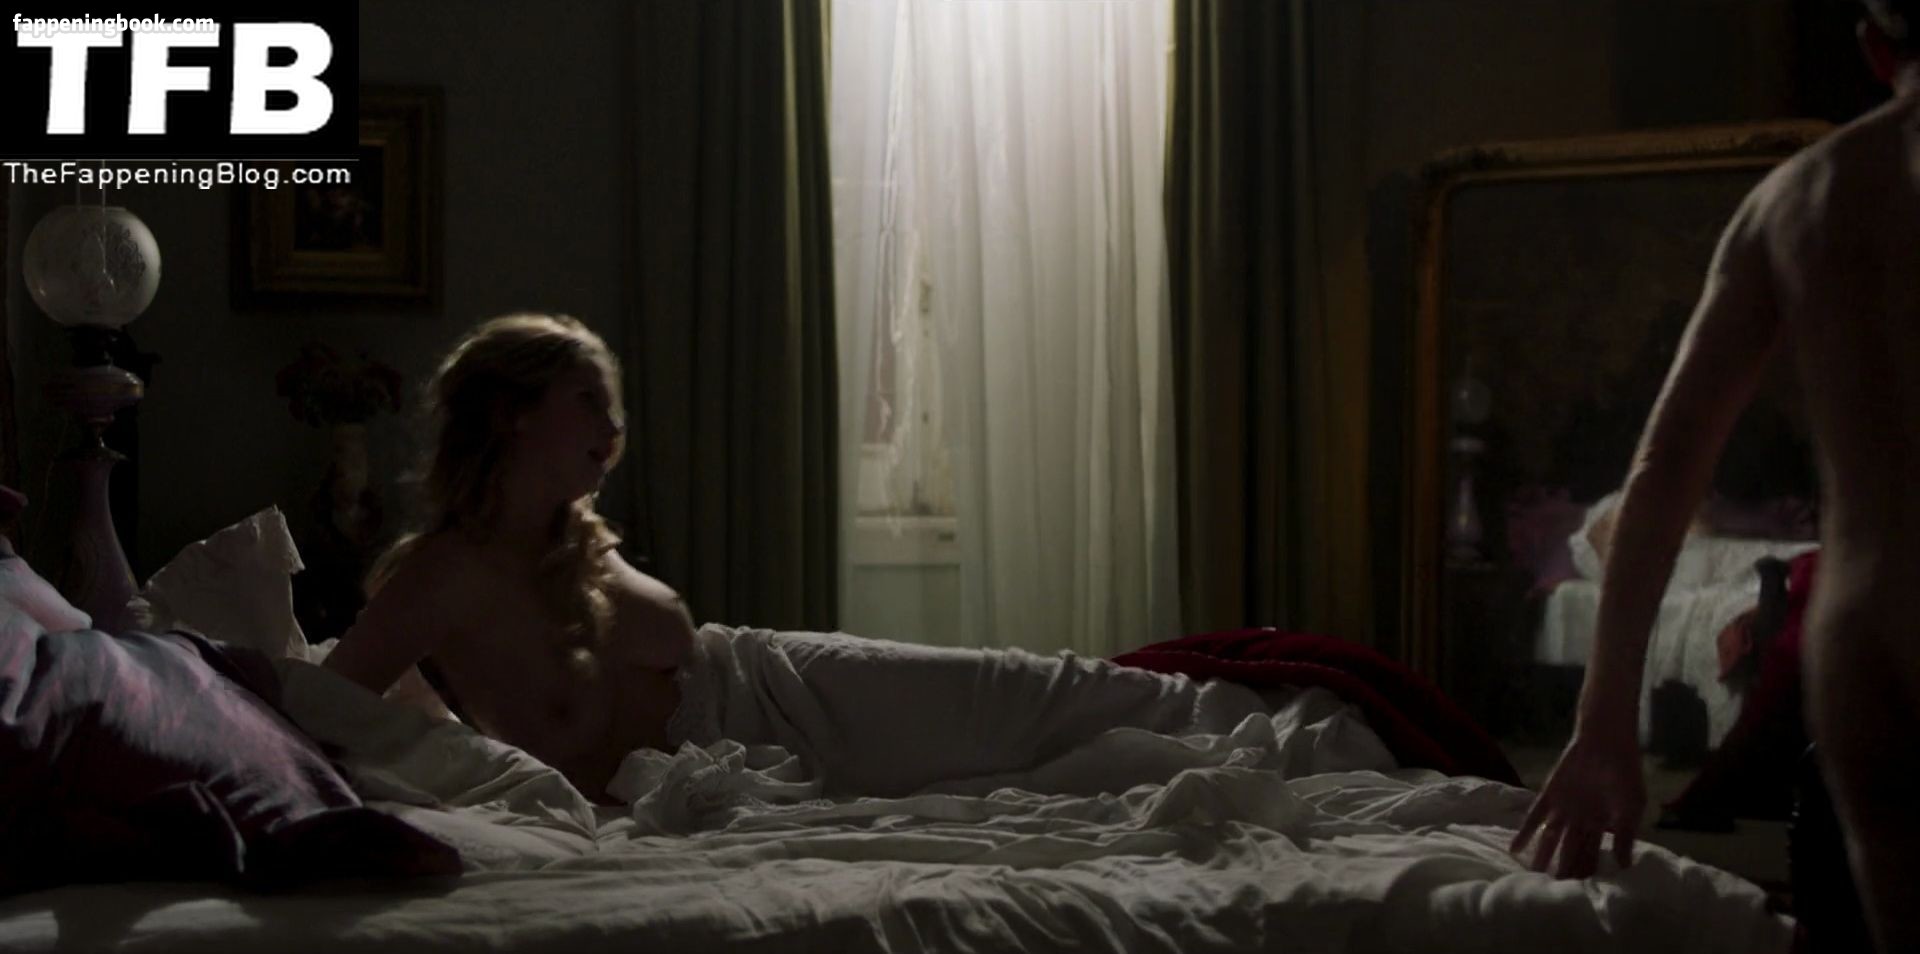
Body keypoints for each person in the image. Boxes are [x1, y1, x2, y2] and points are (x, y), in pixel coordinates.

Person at [1512, 3, 1920, 950]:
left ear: (1873, 47)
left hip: (1864, 647)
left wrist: (1602, 721)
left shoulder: (1798, 198)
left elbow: (1663, 468)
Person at [324, 313, 697, 801]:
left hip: (732, 763)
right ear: (511, 413)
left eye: (611, 406)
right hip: (624, 820)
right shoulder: (444, 575)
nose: (613, 426)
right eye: (588, 399)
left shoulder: (588, 548)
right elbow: (321, 711)